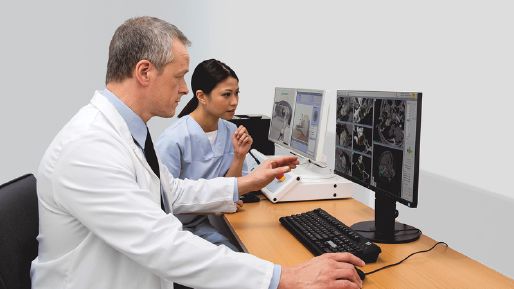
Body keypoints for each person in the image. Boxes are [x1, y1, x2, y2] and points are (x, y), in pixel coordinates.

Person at [31, 16, 365, 289]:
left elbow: (171, 192)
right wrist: (285, 276)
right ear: (144, 72)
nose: (182, 90)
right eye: (178, 77)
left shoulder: (127, 132)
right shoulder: (89, 147)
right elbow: (163, 245)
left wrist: (250, 181)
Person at [156, 59, 251, 251]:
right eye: (226, 94)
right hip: (180, 229)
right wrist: (220, 203)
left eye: (236, 93)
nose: (234, 102)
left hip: (214, 223)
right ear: (201, 96)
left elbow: (233, 189)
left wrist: (239, 156)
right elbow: (165, 202)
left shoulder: (231, 131)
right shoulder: (173, 139)